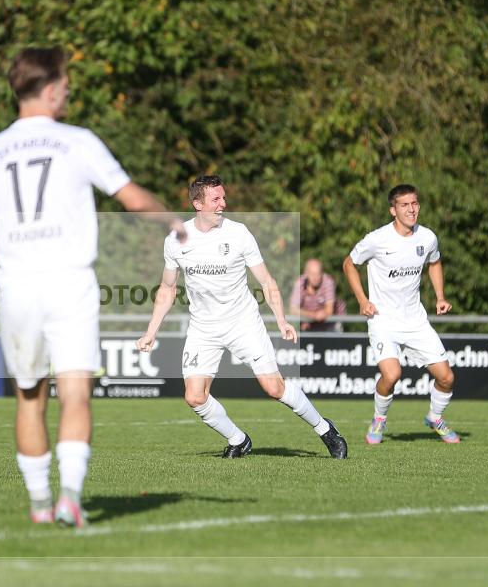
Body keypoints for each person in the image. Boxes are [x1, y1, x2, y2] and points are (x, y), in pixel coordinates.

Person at [0, 46, 185, 528]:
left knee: (29, 396)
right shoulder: (77, 140)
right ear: (53, 88)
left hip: (15, 285)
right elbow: (131, 197)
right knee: (75, 394)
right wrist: (173, 219)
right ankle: (70, 499)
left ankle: (40, 504)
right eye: (67, 84)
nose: (69, 92)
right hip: (68, 281)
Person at [136, 175, 347, 460]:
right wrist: (151, 331)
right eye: (216, 199)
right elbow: (168, 288)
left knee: (274, 388)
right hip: (203, 328)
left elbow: (267, 281)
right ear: (197, 203)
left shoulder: (239, 233)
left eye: (224, 197)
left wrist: (282, 321)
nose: (223, 204)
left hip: (243, 323)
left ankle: (326, 430)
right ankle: (238, 439)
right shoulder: (176, 239)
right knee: (194, 397)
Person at [342, 183, 459, 445]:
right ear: (393, 210)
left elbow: (435, 262)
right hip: (383, 320)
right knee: (392, 375)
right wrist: (362, 300)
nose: (412, 209)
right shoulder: (377, 239)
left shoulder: (427, 237)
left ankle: (435, 417)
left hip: (415, 320)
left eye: (415, 203)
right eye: (405, 205)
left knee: (447, 377)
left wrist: (440, 297)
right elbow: (349, 263)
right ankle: (379, 419)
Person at [288, 258, 343, 331]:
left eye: (318, 274)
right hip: (308, 323)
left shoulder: (328, 282)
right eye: (313, 274)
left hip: (330, 323)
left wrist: (308, 316)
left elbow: (329, 311)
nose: (316, 278)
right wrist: (312, 316)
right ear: (306, 273)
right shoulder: (299, 283)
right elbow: (293, 310)